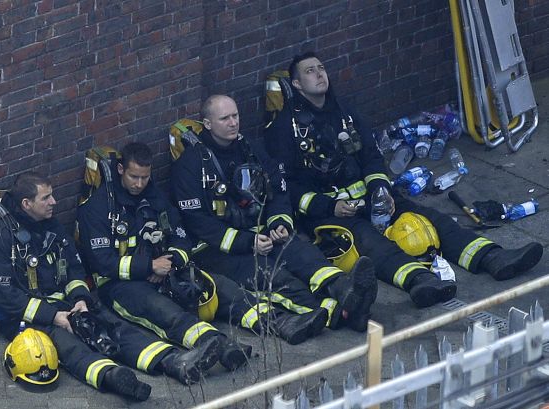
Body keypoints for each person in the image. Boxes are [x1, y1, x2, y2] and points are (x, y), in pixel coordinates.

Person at [264, 51, 544, 308]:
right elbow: (287, 187)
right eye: (310, 71)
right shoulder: (283, 129)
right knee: (370, 242)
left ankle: (493, 257)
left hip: (371, 198)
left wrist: (380, 188)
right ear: (297, 85)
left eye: (321, 68)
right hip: (330, 212)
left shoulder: (345, 112)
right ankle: (420, 282)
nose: (319, 74)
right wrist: (329, 207)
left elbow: (372, 157)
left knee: (432, 218)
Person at [0, 172, 224, 400]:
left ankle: (173, 362)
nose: (54, 202)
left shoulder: (51, 227)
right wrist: (54, 317)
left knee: (113, 327)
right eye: (46, 197)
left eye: (52, 195)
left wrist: (81, 300)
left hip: (67, 303)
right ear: (26, 204)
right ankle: (114, 378)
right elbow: (3, 295)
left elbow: (74, 269)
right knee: (67, 344)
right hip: (27, 315)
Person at [76, 142, 329, 348]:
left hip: (166, 268)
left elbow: (181, 236)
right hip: (122, 284)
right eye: (134, 177)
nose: (139, 184)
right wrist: (149, 266)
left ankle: (283, 324)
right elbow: (103, 263)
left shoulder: (156, 197)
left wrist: (171, 261)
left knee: (223, 288)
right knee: (162, 310)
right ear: (120, 170)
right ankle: (216, 345)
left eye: (145, 177)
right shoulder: (96, 210)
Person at [171, 95, 378, 332]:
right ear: (207, 124)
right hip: (220, 250)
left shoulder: (249, 148)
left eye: (235, 116)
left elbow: (278, 187)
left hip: (262, 234)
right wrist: (247, 242)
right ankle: (339, 313)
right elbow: (198, 222)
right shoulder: (189, 166)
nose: (233, 123)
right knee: (275, 278)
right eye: (225, 118)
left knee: (303, 254)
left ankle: (345, 288)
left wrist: (279, 222)